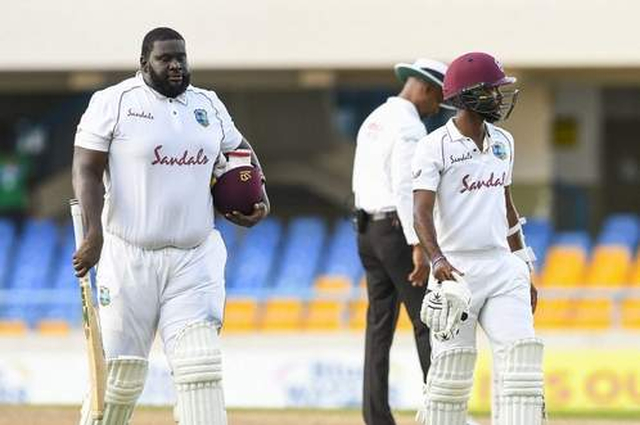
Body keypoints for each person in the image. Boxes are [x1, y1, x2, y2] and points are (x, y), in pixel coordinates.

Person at [71, 27, 269, 425]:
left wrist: (261, 198)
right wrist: (94, 234)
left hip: (195, 257)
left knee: (201, 367)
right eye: (165, 58)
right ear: (144, 62)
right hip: (129, 257)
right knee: (120, 380)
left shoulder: (208, 104)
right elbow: (85, 170)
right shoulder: (113, 102)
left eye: (181, 57)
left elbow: (241, 152)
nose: (176, 64)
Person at [412, 52, 544, 425]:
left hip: (503, 268)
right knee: (449, 380)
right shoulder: (433, 146)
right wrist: (437, 260)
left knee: (522, 368)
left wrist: (523, 266)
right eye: (491, 90)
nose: (499, 97)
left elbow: (507, 206)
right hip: (455, 271)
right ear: (467, 94)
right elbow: (420, 212)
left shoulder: (504, 142)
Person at [352, 58, 450, 425]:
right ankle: (443, 412)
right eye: (438, 98)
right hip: (395, 231)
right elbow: (404, 188)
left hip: (365, 229)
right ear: (425, 89)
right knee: (427, 321)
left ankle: (376, 417)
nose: (437, 108)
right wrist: (419, 246)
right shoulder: (410, 128)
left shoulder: (375, 119)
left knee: (379, 326)